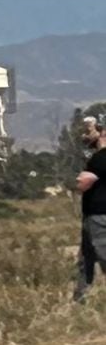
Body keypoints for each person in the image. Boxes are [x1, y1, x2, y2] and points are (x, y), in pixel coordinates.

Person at [77, 116, 106, 302]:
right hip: (92, 216)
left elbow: (83, 183)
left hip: (99, 217)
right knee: (85, 260)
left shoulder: (100, 158)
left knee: (102, 256)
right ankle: (80, 298)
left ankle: (81, 298)